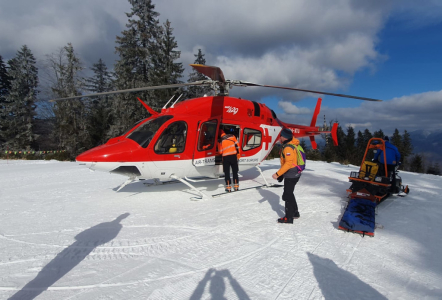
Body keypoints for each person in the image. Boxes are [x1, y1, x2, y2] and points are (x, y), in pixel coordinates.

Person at [272, 128, 303, 224]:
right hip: (294, 173)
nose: (280, 137)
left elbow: (288, 163)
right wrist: (282, 175)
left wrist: (277, 174)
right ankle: (295, 213)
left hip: (291, 174)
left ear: (284, 137)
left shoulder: (288, 148)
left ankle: (288, 218)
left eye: (281, 136)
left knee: (287, 195)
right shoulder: (291, 145)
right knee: (289, 193)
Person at [218, 128, 241, 192]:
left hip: (226, 158)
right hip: (233, 156)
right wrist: (238, 154)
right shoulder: (232, 136)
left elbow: (220, 152)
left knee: (227, 173)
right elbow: (237, 146)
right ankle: (236, 187)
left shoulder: (220, 141)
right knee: (235, 172)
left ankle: (228, 188)